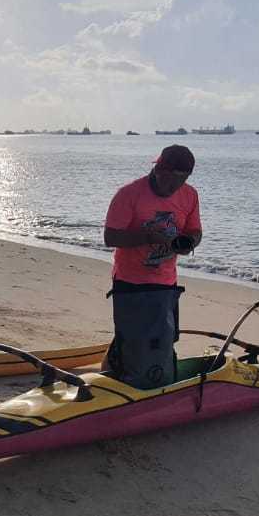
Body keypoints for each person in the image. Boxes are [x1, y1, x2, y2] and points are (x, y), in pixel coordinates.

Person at [103, 143, 202, 388]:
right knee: (133, 338)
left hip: (167, 283)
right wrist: (148, 237)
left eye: (181, 180)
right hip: (131, 282)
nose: (173, 187)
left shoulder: (189, 195)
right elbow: (111, 237)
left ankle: (158, 376)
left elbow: (195, 231)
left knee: (164, 338)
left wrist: (188, 242)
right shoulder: (129, 194)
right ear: (158, 169)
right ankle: (116, 378)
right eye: (169, 179)